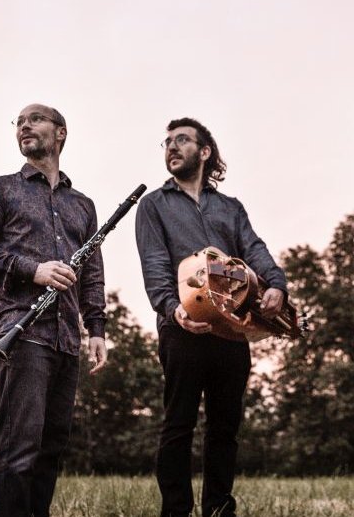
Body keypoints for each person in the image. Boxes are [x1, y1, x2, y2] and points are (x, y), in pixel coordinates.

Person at [0, 103, 108, 517]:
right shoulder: (0, 189)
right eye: (19, 122)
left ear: (60, 133)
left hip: (66, 339)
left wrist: (95, 328)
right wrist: (33, 269)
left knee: (50, 447)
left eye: (35, 119)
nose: (24, 125)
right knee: (19, 447)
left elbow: (91, 270)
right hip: (21, 332)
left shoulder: (83, 205)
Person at [135, 117, 288, 517]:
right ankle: (176, 511)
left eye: (182, 140)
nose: (171, 146)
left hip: (233, 330)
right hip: (182, 329)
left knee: (225, 430)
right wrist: (173, 310)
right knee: (178, 426)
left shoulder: (230, 208)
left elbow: (254, 249)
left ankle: (219, 509)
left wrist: (276, 285)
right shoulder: (153, 204)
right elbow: (154, 265)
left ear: (204, 152)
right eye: (167, 141)